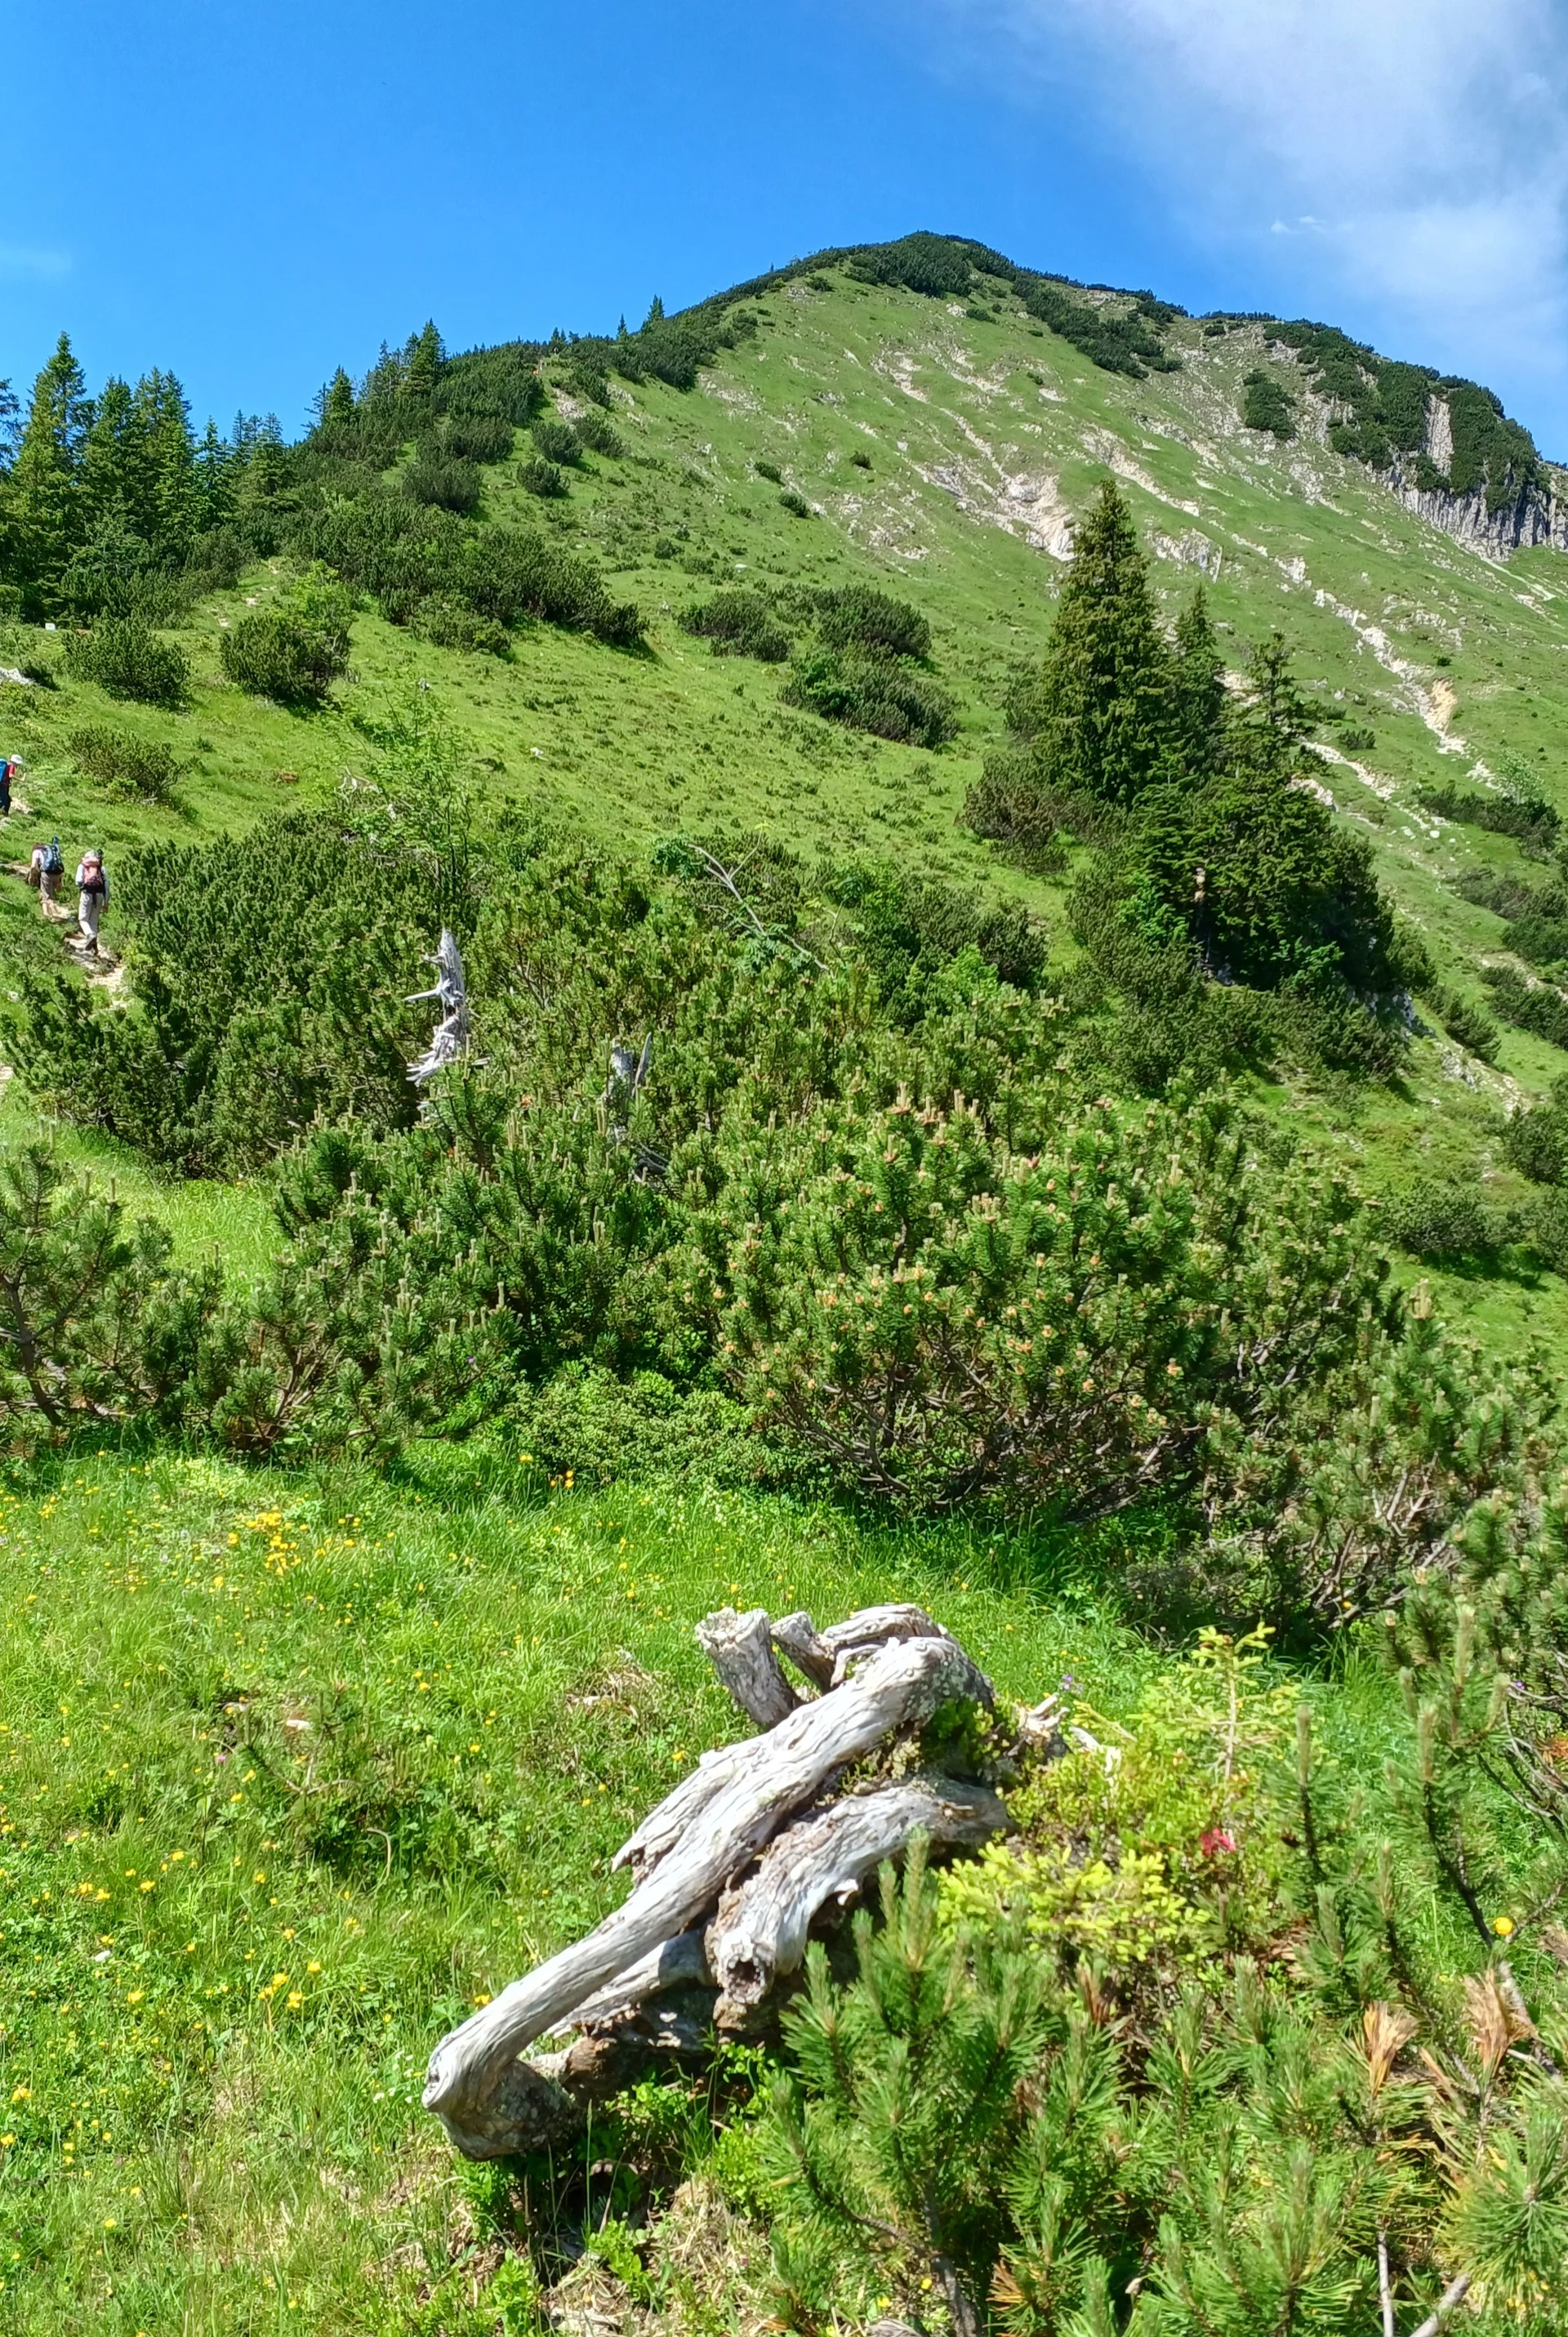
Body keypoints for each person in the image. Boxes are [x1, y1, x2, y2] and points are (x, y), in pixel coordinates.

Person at [75, 849, 107, 954]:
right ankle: (94, 947)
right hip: (99, 895)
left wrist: (82, 888)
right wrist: (106, 902)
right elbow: (107, 887)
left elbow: (78, 881)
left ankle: (90, 935)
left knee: (83, 919)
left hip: (87, 894)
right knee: (93, 921)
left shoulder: (82, 866)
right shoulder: (101, 869)